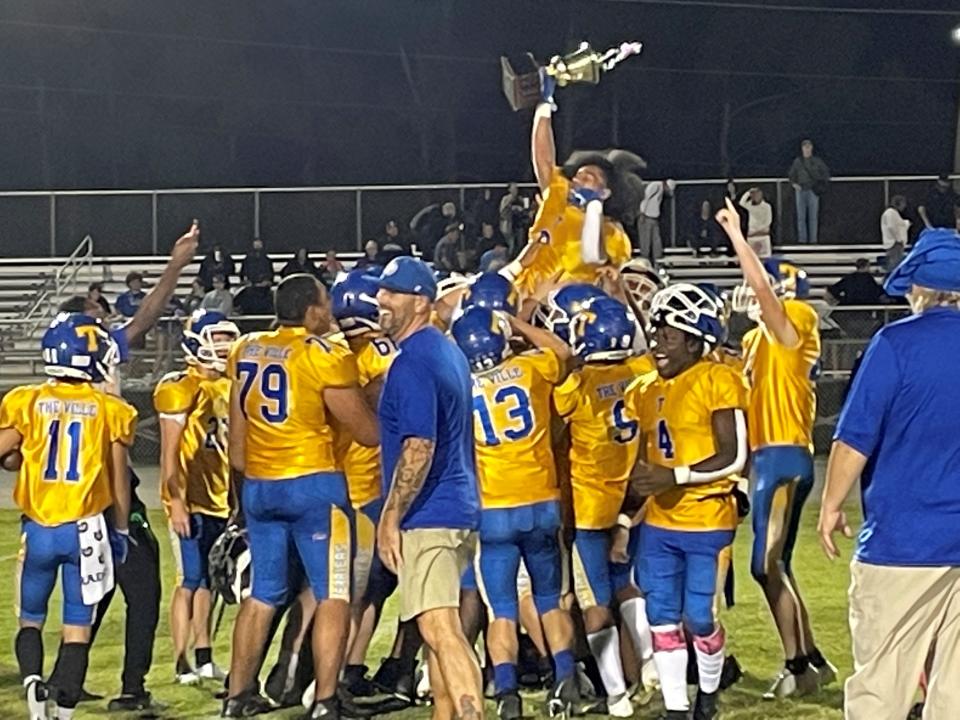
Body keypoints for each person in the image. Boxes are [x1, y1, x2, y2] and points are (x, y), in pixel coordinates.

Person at [54, 221, 200, 712]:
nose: (107, 319)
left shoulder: (52, 380)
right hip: (109, 490)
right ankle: (131, 689)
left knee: (85, 593)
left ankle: (62, 683)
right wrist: (176, 265)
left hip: (64, 497)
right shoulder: (98, 354)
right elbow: (146, 317)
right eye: (97, 314)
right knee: (141, 588)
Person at [818, 228, 960, 720]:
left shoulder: (895, 343)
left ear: (919, 286)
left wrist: (831, 505)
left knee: (881, 688)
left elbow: (855, 437)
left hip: (903, 544)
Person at [223, 273, 379, 719]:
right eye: (324, 302)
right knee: (334, 594)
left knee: (263, 595)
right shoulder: (322, 355)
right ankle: (326, 700)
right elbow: (366, 433)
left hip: (260, 486)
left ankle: (237, 697)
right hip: (313, 486)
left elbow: (237, 448)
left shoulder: (246, 348)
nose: (329, 310)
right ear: (312, 310)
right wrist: (377, 394)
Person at [715, 199, 837, 698]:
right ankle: (811, 659)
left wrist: (738, 238)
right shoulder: (756, 342)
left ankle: (797, 664)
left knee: (765, 565)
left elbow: (768, 301)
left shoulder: (797, 321)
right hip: (767, 455)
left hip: (784, 454)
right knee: (775, 566)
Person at [621, 283, 748, 720]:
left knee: (698, 616)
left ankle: (708, 692)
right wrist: (624, 516)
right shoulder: (643, 389)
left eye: (669, 334)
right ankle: (677, 707)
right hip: (660, 522)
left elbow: (735, 454)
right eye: (655, 332)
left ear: (695, 341)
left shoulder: (718, 378)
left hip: (708, 518)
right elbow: (642, 465)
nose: (656, 342)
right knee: (661, 614)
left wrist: (676, 476)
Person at [0, 314, 136, 720]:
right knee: (78, 625)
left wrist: (18, 458)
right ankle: (63, 714)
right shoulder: (110, 409)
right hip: (87, 531)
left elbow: (5, 451)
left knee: (30, 619)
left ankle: (31, 685)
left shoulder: (26, 400)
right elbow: (119, 482)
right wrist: (123, 529)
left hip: (39, 528)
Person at [451, 305, 581, 720]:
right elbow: (562, 352)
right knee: (548, 599)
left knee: (502, 610)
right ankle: (565, 681)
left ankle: (507, 693)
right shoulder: (530, 369)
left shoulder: (458, 386)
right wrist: (516, 322)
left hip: (493, 509)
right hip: (542, 502)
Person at [370, 257, 484, 720]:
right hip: (457, 506)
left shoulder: (413, 360)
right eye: (381, 291)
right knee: (439, 638)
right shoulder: (446, 350)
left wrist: (391, 515)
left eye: (393, 293)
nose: (382, 300)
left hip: (430, 513)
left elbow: (419, 446)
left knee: (440, 629)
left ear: (420, 301)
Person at [552, 294, 650, 718]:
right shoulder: (642, 372)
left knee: (595, 604)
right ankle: (650, 665)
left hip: (591, 507)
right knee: (629, 588)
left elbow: (555, 422)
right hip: (632, 501)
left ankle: (616, 695)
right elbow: (646, 345)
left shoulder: (578, 385)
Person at [153, 310, 240, 685]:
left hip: (218, 496)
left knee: (209, 579)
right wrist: (176, 501)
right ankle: (181, 660)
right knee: (188, 579)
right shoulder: (180, 387)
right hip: (189, 498)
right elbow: (169, 454)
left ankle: (204, 656)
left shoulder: (228, 386)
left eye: (226, 338)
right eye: (216, 338)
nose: (223, 346)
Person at [327, 268, 400, 701]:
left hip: (341, 481)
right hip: (366, 487)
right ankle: (334, 676)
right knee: (355, 592)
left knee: (367, 587)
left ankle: (345, 668)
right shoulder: (379, 351)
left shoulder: (332, 351)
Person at [507, 74, 640, 300]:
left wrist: (593, 211)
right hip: (520, 294)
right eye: (578, 175)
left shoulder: (613, 233)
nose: (581, 177)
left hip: (569, 310)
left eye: (591, 176)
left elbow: (595, 257)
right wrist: (544, 107)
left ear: (606, 192)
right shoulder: (557, 195)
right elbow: (543, 158)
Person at [788, 139, 830, 244]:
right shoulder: (798, 161)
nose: (807, 149)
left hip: (813, 191)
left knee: (813, 217)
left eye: (808, 147)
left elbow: (826, 173)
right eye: (805, 147)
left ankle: (813, 241)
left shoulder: (817, 161)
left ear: (811, 148)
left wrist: (819, 183)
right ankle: (802, 240)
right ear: (802, 149)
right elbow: (791, 174)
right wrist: (794, 184)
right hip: (800, 191)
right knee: (801, 217)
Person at [637, 179, 676, 264]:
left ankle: (657, 259)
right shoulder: (655, 186)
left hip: (654, 218)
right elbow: (645, 198)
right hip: (646, 217)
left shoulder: (661, 189)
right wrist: (642, 213)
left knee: (656, 240)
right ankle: (645, 261)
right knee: (645, 242)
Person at [739, 187, 773, 258]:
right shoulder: (748, 206)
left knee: (765, 257)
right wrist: (748, 192)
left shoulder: (767, 206)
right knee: (752, 257)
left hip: (763, 234)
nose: (756, 197)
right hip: (752, 235)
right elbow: (741, 203)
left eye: (757, 195)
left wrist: (759, 229)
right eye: (754, 195)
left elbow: (768, 221)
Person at [880, 195, 910, 271]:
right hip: (895, 244)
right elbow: (891, 227)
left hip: (896, 243)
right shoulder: (891, 213)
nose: (905, 206)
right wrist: (898, 239)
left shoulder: (894, 213)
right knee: (894, 264)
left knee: (896, 263)